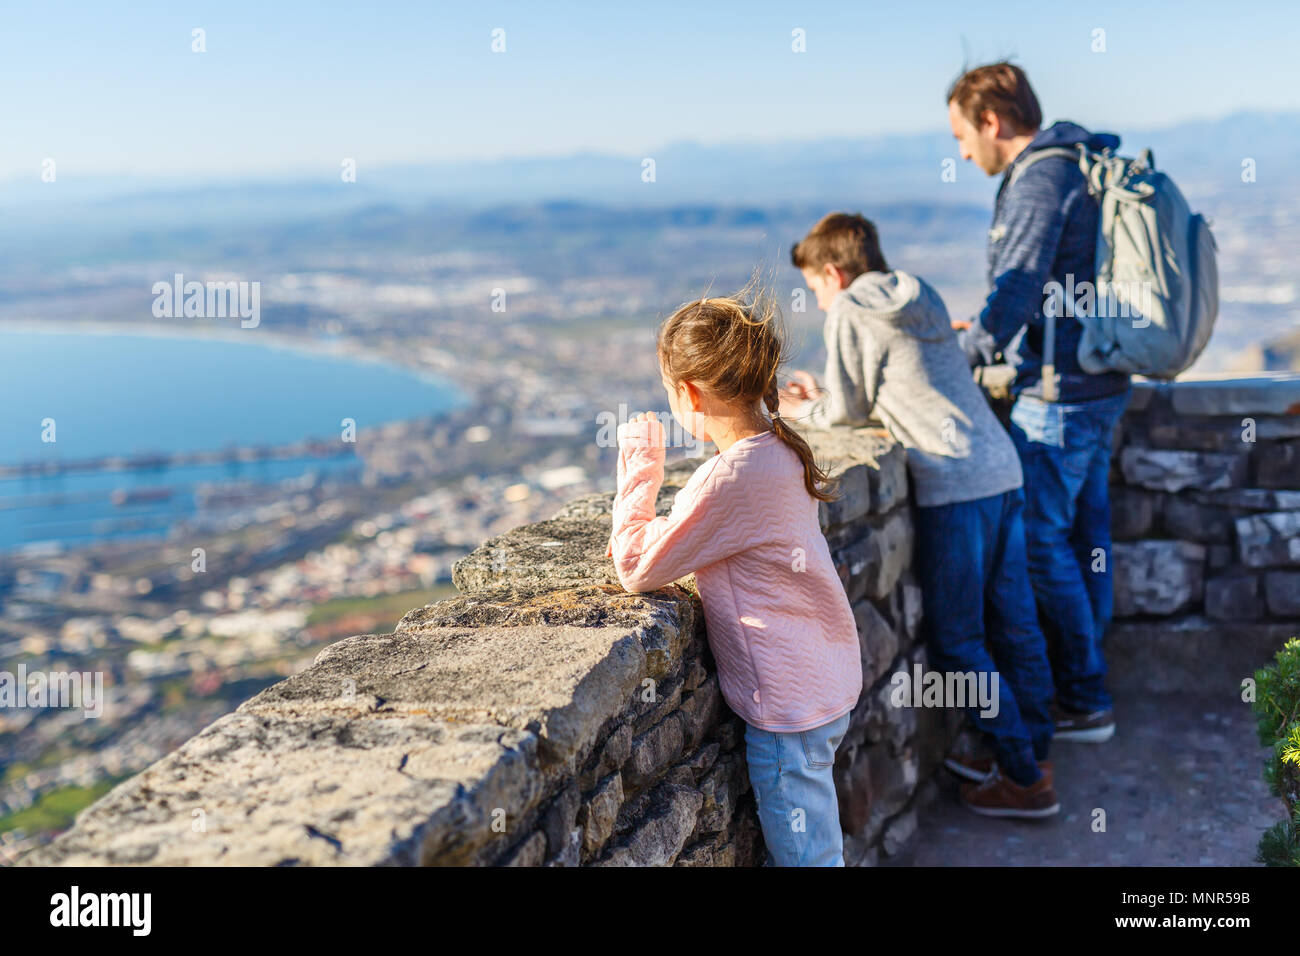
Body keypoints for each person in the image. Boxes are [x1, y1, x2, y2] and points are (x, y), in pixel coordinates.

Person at [781, 212, 1059, 818]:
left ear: (834, 272)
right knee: (1015, 623)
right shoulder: (920, 289)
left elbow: (850, 412)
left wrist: (803, 409)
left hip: (954, 483)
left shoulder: (854, 306)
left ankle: (1025, 780)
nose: (821, 303)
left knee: (959, 640)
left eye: (815, 288)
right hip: (1000, 467)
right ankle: (1035, 754)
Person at [607, 280, 861, 864]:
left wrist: (640, 457)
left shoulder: (728, 477)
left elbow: (636, 567)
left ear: (690, 395)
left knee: (808, 857)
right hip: (823, 683)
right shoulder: (778, 448)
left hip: (787, 709)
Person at [946, 62, 1130, 742]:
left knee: (1035, 548)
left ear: (992, 123)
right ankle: (1090, 687)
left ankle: (1083, 697)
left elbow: (1018, 292)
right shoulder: (1078, 160)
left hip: (1058, 394)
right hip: (1098, 379)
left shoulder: (1040, 176)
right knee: (1087, 540)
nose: (963, 152)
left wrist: (959, 359)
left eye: (962, 136)